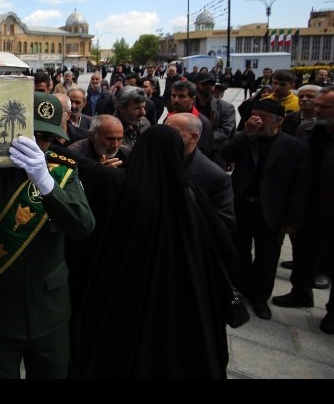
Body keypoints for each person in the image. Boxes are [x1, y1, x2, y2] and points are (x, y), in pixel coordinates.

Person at [74, 125, 235, 379]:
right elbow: (222, 244)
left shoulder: (121, 187)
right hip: (182, 303)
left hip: (124, 300)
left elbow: (85, 172)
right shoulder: (193, 195)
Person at [0, 92, 95, 379]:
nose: (39, 143)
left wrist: (46, 182)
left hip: (49, 309)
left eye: (47, 137)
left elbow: (83, 226)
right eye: (32, 133)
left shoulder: (61, 172)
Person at [218, 98, 310, 320]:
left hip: (271, 211)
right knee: (238, 251)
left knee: (267, 257)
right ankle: (237, 289)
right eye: (254, 116)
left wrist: (292, 219)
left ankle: (259, 297)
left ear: (278, 122)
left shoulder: (295, 147)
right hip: (242, 205)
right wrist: (246, 134)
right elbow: (225, 154)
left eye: (263, 117)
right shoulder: (247, 138)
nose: (257, 121)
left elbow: (300, 186)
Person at [272, 88, 334, 322]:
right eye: (317, 105)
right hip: (307, 203)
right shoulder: (305, 129)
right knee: (303, 251)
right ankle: (301, 292)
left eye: (324, 107)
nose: (317, 109)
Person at [165, 113, 236, 232]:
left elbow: (224, 223)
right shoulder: (158, 160)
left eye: (173, 133)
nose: (165, 137)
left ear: (193, 137)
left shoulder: (215, 176)